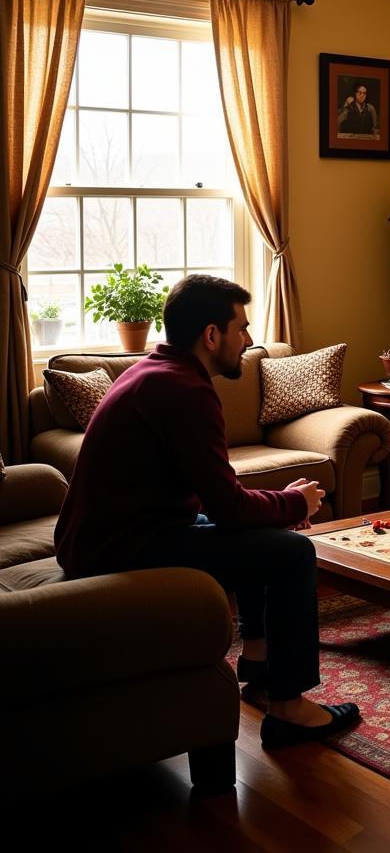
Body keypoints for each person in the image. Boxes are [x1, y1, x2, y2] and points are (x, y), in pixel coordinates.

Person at [54, 275, 359, 749]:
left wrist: (277, 506)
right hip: (120, 549)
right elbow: (231, 508)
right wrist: (294, 504)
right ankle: (289, 708)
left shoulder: (154, 371)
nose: (249, 340)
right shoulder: (184, 391)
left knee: (265, 535)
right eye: (241, 328)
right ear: (211, 335)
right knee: (293, 552)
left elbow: (219, 496)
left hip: (113, 534)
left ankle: (257, 657)